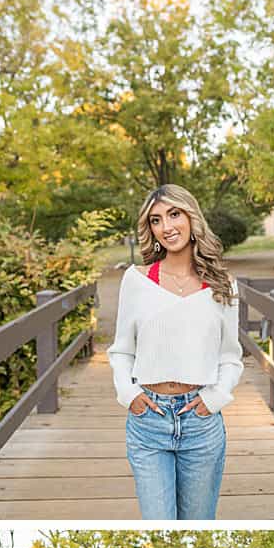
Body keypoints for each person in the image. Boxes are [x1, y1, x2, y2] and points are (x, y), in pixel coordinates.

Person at [107, 184, 241, 519]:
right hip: (148, 420)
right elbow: (122, 350)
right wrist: (129, 394)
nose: (166, 227)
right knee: (157, 522)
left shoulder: (222, 285)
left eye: (174, 214)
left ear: (191, 217)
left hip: (201, 421)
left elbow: (230, 356)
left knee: (198, 523)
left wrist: (215, 399)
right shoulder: (136, 281)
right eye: (156, 220)